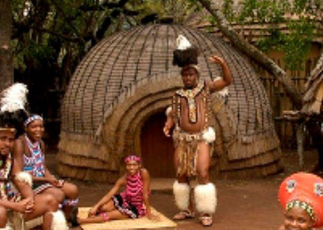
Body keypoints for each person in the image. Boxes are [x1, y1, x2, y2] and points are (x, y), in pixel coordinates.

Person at [0, 83, 67, 230]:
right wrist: (14, 205)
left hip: (10, 207)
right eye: (2, 138)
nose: (7, 143)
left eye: (11, 139)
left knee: (51, 200)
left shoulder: (9, 159)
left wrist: (29, 200)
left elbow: (22, 183)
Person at [163, 35, 232, 227]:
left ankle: (206, 212)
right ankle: (187, 209)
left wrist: (223, 63)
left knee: (202, 172)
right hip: (182, 140)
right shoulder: (177, 95)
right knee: (181, 173)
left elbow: (227, 80)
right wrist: (168, 124)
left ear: (196, 75)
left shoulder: (206, 88)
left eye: (191, 74)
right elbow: (173, 114)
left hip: (201, 138)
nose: (187, 77)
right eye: (185, 75)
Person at [13, 114, 80, 226]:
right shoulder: (20, 144)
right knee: (58, 195)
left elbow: (42, 167)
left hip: (42, 180)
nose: (38, 130)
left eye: (41, 126)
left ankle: (64, 222)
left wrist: (51, 177)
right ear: (26, 128)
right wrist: (46, 179)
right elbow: (19, 174)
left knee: (73, 190)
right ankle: (47, 222)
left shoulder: (41, 144)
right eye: (34, 127)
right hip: (28, 183)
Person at [78, 155, 154, 224]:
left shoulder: (143, 173)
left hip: (134, 207)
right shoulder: (124, 179)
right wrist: (96, 206)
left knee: (109, 215)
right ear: (126, 166)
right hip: (124, 199)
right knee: (103, 208)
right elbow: (109, 195)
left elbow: (145, 195)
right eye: (129, 165)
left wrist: (149, 213)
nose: (131, 168)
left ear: (139, 165)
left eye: (134, 165)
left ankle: (82, 221)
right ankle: (96, 214)